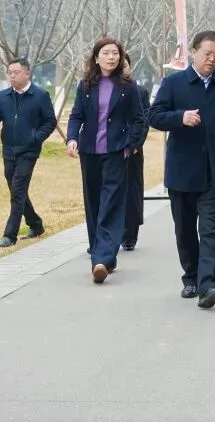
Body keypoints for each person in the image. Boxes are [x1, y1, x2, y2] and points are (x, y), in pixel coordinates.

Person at [149, 30, 215, 309]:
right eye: (207, 54)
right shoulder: (173, 83)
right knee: (186, 230)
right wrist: (180, 117)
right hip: (183, 171)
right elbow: (154, 116)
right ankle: (191, 276)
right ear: (193, 52)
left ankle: (209, 285)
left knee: (211, 230)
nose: (212, 59)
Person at [66, 38, 147, 284]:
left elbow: (139, 119)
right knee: (93, 203)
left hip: (116, 152)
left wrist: (131, 145)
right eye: (106, 53)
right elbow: (76, 115)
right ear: (96, 58)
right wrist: (72, 138)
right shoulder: (85, 86)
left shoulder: (128, 87)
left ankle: (101, 259)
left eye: (115, 53)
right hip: (89, 152)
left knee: (110, 203)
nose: (111, 57)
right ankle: (102, 256)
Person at [0, 57, 56, 248]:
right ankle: (35, 224)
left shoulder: (40, 95)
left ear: (27, 73)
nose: (12, 76)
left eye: (16, 72)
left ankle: (9, 235)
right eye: (10, 73)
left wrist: (36, 137)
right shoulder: (4, 95)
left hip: (29, 151)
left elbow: (50, 122)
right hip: (9, 150)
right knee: (16, 189)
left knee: (18, 190)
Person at [122, 55, 151, 251]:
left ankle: (130, 235)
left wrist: (134, 144)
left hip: (132, 150)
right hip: (107, 150)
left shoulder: (139, 92)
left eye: (124, 65)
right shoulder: (101, 89)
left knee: (131, 193)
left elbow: (144, 121)